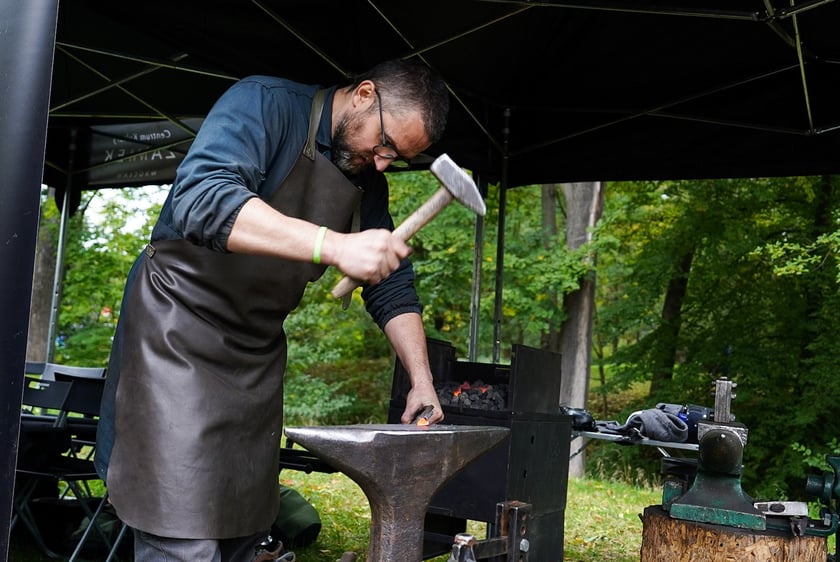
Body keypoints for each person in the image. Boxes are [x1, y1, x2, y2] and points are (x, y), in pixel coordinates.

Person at [94, 58, 448, 561]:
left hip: (254, 357)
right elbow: (201, 198)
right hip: (176, 332)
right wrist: (332, 244)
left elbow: (391, 288)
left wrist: (421, 380)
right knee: (180, 531)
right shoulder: (264, 103)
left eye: (399, 157)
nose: (384, 162)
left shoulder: (365, 177)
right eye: (386, 145)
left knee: (244, 529)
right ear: (365, 94)